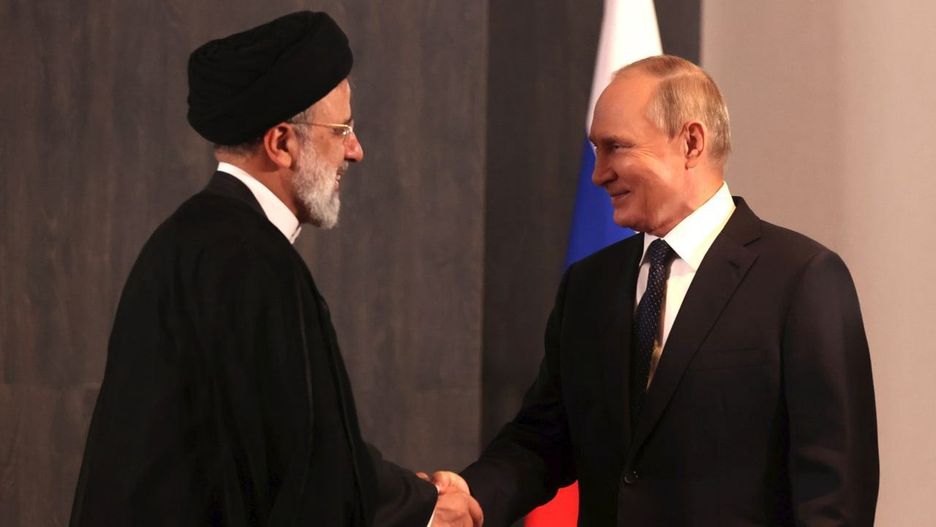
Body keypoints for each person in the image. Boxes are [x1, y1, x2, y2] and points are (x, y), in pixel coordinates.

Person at [69, 11, 481, 527]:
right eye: (342, 130)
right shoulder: (249, 262)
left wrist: (410, 496)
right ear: (282, 143)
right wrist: (423, 506)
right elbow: (304, 464)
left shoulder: (192, 240)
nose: (355, 151)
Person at [453, 55, 879, 526]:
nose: (598, 173)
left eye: (616, 147)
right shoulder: (588, 286)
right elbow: (543, 438)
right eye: (596, 150)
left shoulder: (801, 279)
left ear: (691, 143)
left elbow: (835, 493)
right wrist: (469, 498)